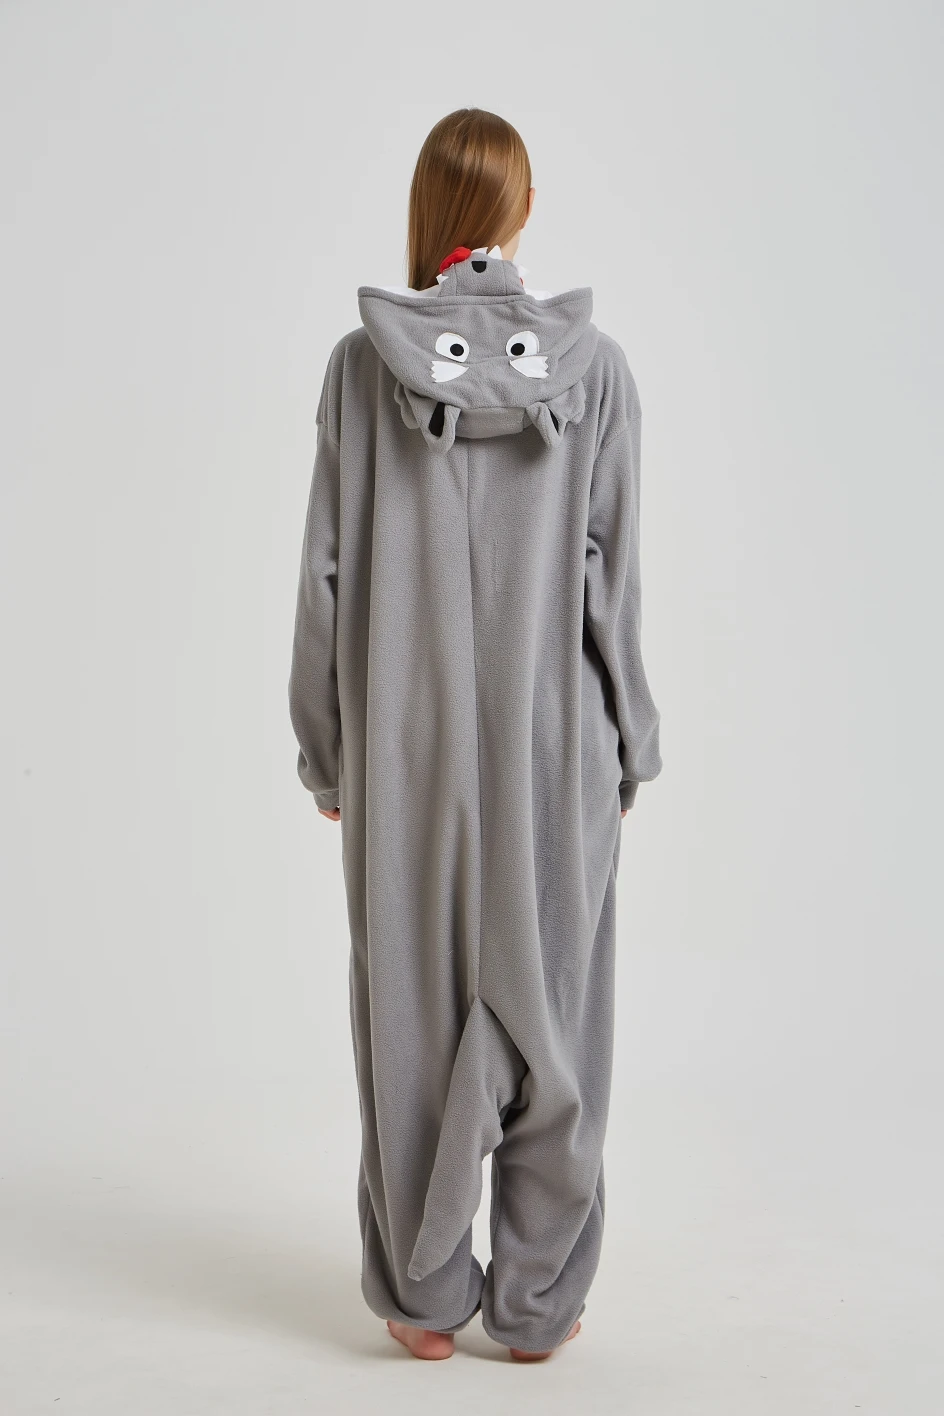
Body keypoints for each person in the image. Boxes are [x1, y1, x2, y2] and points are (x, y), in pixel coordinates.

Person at [288, 107, 662, 1363]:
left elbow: (324, 577)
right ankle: (538, 1307)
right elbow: (610, 579)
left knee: (407, 1012)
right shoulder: (594, 370)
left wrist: (326, 750)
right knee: (556, 1019)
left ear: (430, 212)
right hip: (556, 755)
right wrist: (632, 740)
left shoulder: (360, 368)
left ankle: (422, 1291)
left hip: (405, 757)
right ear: (520, 208)